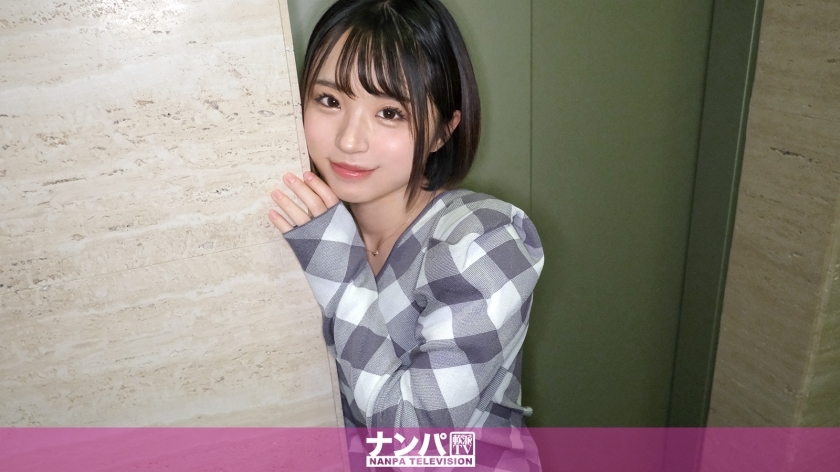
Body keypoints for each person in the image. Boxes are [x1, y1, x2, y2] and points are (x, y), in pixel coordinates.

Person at [268, 0, 543, 454]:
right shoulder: (306, 227)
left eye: (391, 112)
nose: (349, 140)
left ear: (443, 131)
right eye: (330, 100)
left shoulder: (485, 241)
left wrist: (335, 262)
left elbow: (414, 443)